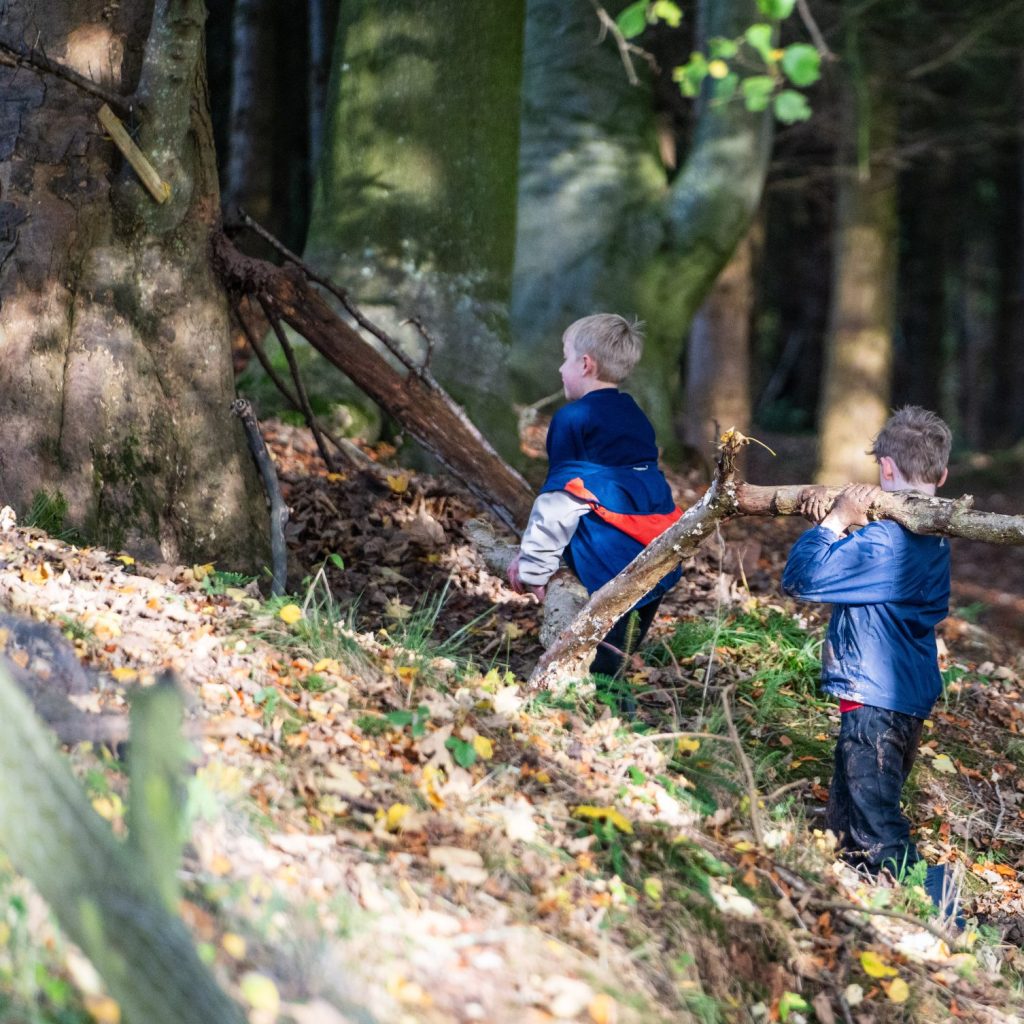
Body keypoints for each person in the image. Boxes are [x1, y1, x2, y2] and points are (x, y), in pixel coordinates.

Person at [781, 406, 961, 923]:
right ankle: (852, 916)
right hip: (901, 696)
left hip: (876, 704)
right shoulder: (934, 535)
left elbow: (801, 579)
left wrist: (836, 521)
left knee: (878, 830)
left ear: (884, 468)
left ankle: (949, 923)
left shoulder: (885, 542)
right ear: (942, 476)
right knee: (848, 827)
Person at [507, 314, 682, 702]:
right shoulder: (633, 413)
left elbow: (560, 500)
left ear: (585, 364)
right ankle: (608, 719)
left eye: (565, 358)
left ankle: (593, 727)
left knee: (593, 674)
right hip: (655, 562)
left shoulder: (573, 418)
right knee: (615, 663)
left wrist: (534, 567)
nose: (560, 367)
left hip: (609, 569)